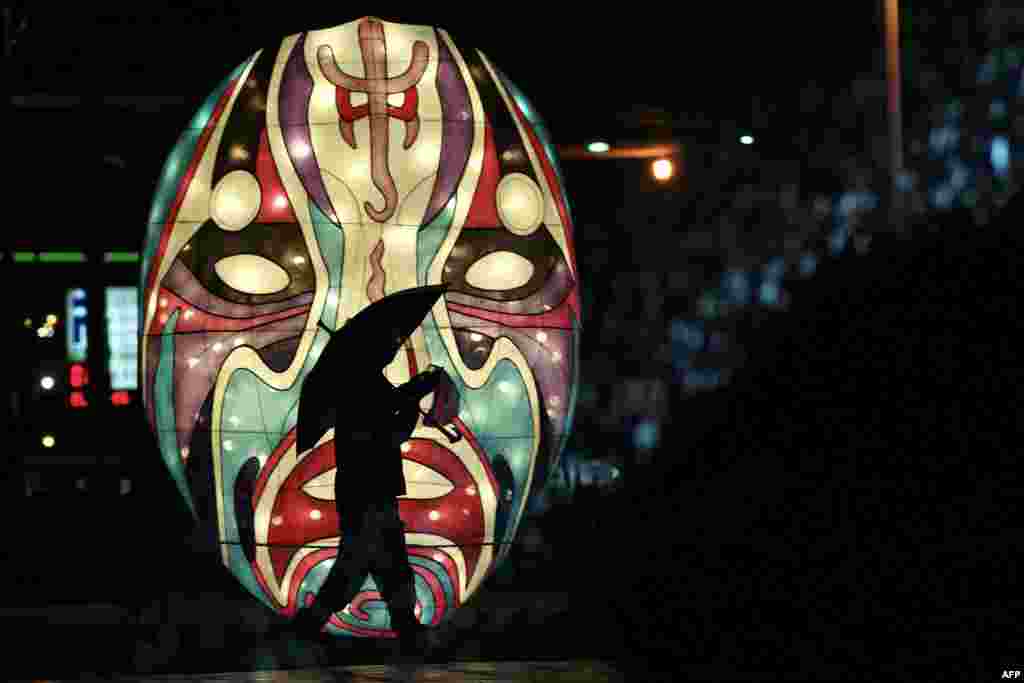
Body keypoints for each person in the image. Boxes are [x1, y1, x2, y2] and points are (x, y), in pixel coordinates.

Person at [279, 355, 446, 657]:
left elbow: (391, 405)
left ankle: (318, 622)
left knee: (371, 562)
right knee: (372, 561)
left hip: (364, 494)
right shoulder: (358, 389)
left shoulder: (358, 386)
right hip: (369, 493)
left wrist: (414, 392)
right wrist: (414, 397)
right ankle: (401, 626)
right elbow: (390, 428)